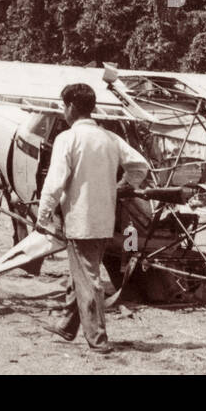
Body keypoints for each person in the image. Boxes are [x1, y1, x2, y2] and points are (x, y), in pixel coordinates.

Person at [38, 83, 150, 353]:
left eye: (64, 106)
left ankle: (98, 339)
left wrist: (43, 215)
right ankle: (67, 325)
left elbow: (54, 183)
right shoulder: (109, 138)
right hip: (104, 218)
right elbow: (140, 166)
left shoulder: (68, 138)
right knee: (84, 272)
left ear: (72, 108)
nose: (63, 111)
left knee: (88, 278)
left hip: (80, 219)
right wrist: (123, 185)